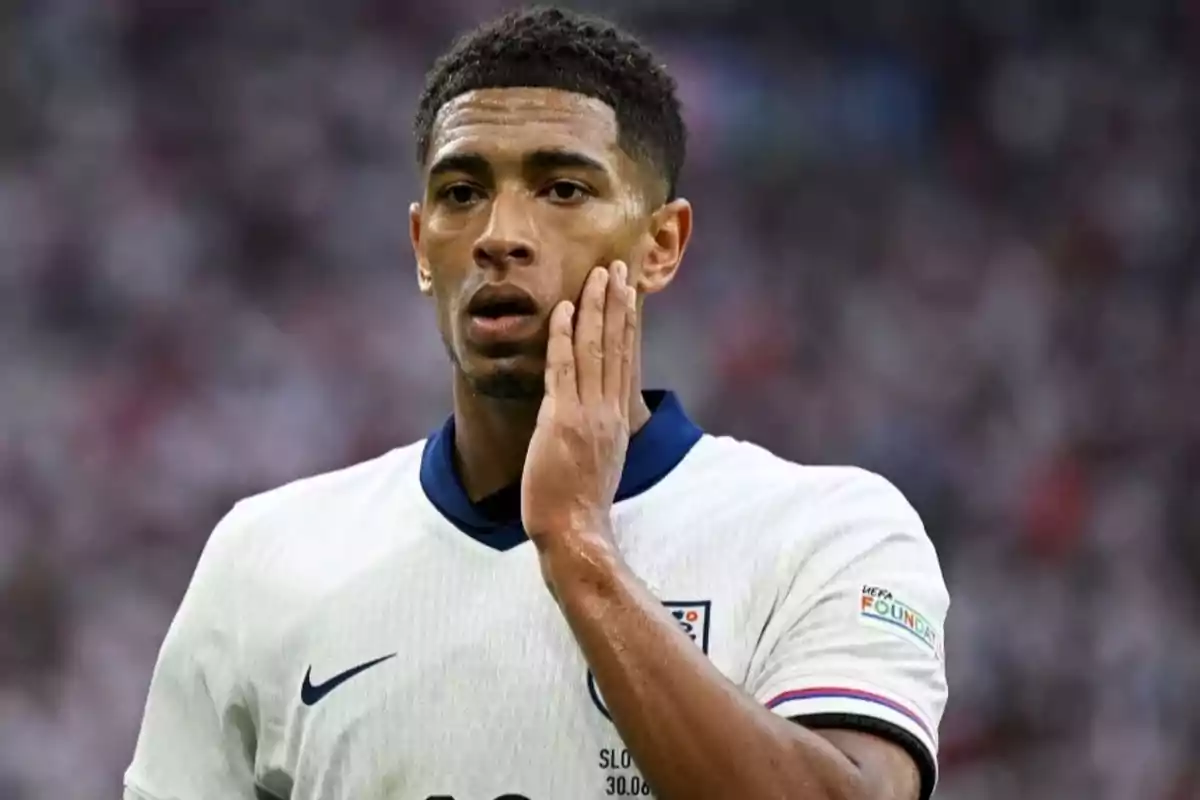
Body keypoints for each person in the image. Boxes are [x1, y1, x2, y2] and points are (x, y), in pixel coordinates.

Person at [124, 7, 948, 800]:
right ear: (420, 248)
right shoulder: (265, 558)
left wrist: (578, 547)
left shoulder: (830, 534)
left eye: (560, 188)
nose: (498, 233)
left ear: (661, 244)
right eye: (459, 192)